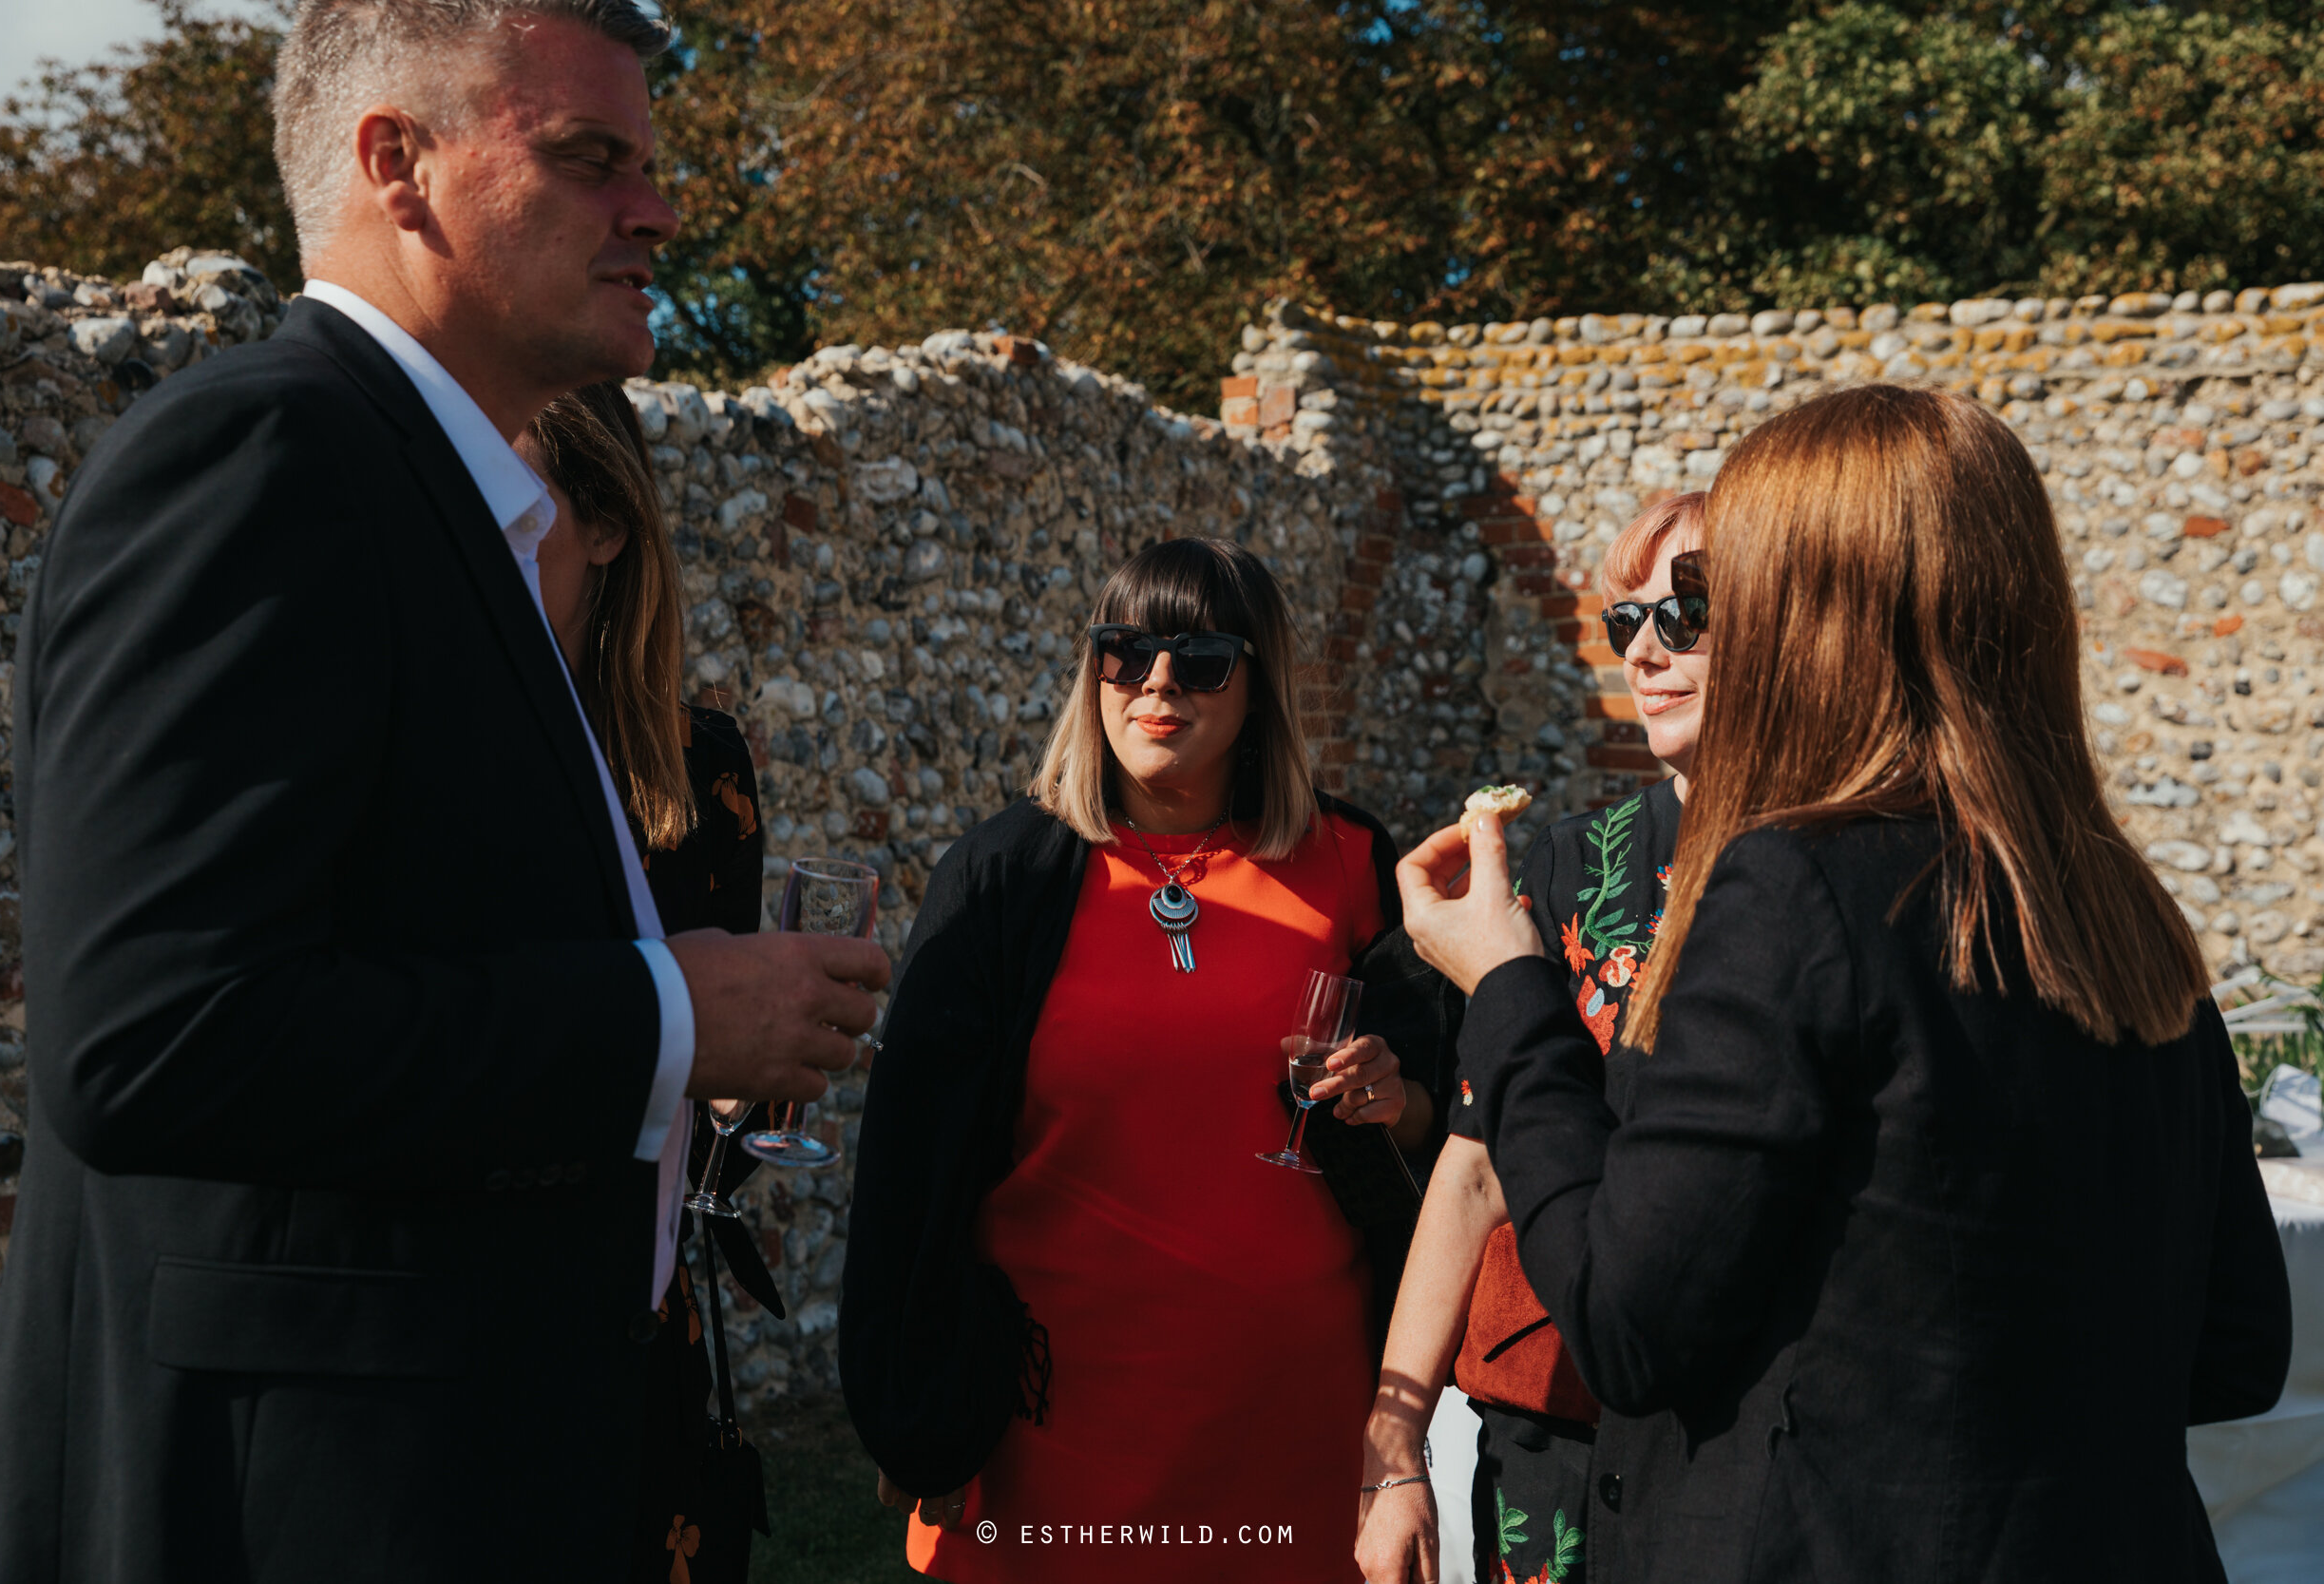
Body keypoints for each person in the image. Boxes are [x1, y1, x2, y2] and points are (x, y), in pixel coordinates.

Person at [0, 5, 886, 1579]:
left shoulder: (454, 509)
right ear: (395, 163)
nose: (657, 210)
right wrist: (674, 1020)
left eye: (652, 166)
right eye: (591, 158)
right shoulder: (268, 459)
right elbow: (150, 1039)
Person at [1398, 385, 2292, 1582]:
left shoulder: (1797, 887)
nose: (1677, 636)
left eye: (1720, 596)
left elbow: (1625, 1322)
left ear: (1808, 610)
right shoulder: (2119, 905)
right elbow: (2234, 1343)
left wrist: (1508, 984)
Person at [842, 536, 1444, 1583]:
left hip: (1291, 1424)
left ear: (1257, 687)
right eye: (1125, 652)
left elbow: (1442, 1123)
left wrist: (1394, 1097)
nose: (1157, 682)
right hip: (1050, 1426)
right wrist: (913, 1405)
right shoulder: (1002, 876)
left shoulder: (1349, 860)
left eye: (1202, 658)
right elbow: (910, 1158)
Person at [1359, 492, 1707, 1584]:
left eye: (1686, 614)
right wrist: (1391, 1448)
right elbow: (1470, 1164)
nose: (1645, 649)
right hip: (1548, 1429)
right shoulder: (1568, 863)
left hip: (1726, 1438)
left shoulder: (1827, 872)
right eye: (1625, 621)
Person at [517, 381, 781, 1582]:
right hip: (456, 1309)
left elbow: (735, 1112)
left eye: (520, 507)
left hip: (635, 1313)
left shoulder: (699, 763)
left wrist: (755, 1086)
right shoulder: (417, 739)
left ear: (608, 524)